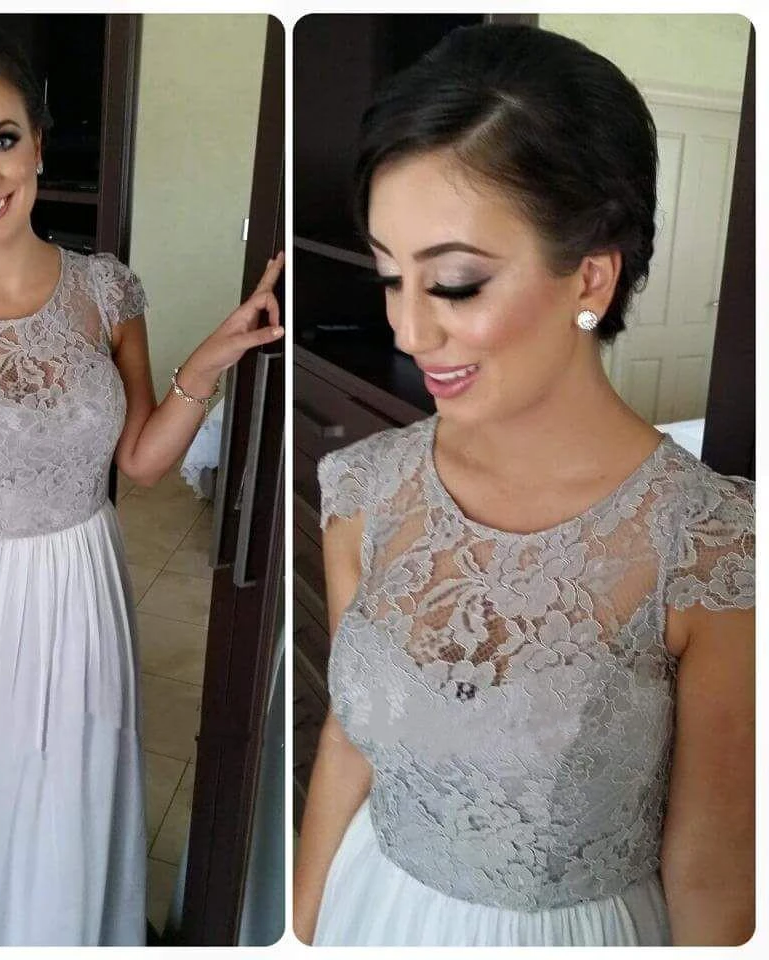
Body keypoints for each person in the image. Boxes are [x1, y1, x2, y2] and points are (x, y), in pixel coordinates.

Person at [293, 23, 753, 948]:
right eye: (390, 276)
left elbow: (714, 876)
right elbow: (350, 739)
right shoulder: (363, 491)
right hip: (367, 910)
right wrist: (300, 933)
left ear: (591, 277)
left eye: (456, 284)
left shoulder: (713, 548)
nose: (409, 332)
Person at [0, 18, 283, 946]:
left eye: (2, 138)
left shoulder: (106, 291)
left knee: (71, 802)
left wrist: (209, 363)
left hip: (83, 583)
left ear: (37, 143)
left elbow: (140, 461)